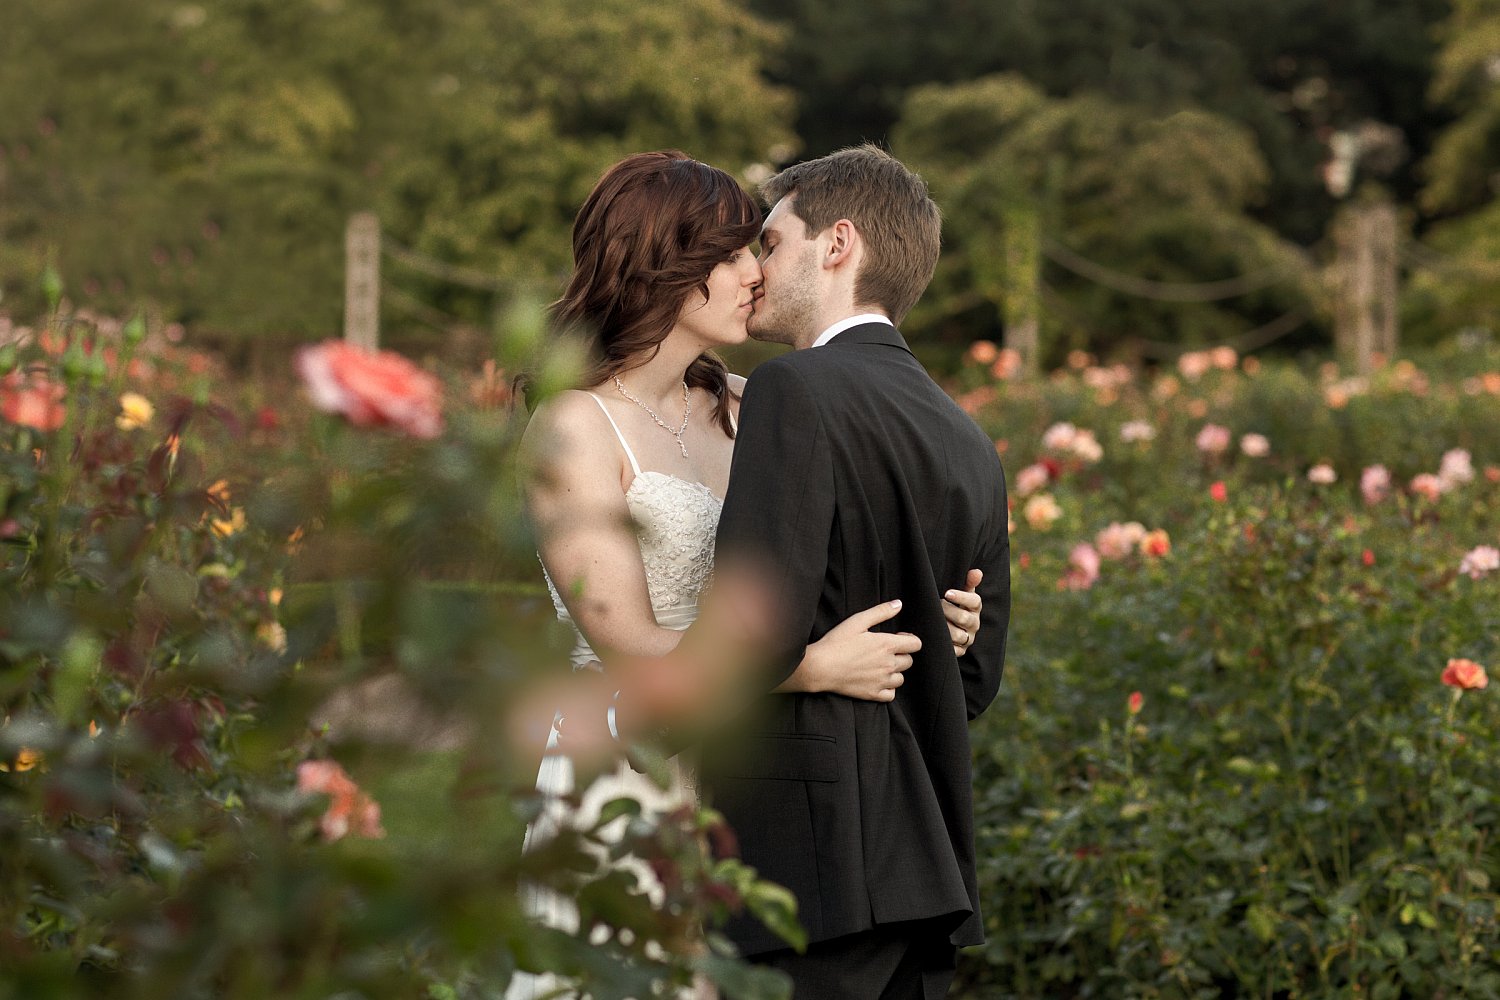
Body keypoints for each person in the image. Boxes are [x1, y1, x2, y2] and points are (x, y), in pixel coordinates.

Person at [513, 151, 987, 999]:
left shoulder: (756, 403)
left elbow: (829, 573)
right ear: (664, 262)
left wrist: (937, 618)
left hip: (758, 788)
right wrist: (807, 667)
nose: (754, 273)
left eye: (757, 248)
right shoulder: (572, 428)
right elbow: (628, 647)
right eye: (733, 253)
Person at [698, 145, 1011, 999]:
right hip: (921, 872)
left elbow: (748, 638)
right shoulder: (967, 434)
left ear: (837, 245)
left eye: (771, 243)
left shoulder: (792, 389)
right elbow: (974, 678)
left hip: (806, 869)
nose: (755, 269)